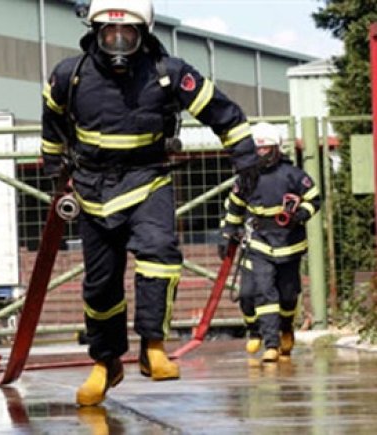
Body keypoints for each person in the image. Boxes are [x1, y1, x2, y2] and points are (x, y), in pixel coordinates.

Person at [41, 0, 260, 406]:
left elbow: (222, 112)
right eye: (111, 34)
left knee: (159, 254)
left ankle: (152, 347)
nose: (119, 42)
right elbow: (52, 118)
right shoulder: (68, 76)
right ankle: (106, 364)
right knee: (100, 285)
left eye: (128, 34)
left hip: (148, 180)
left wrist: (245, 156)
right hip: (91, 190)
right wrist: (54, 163)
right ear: (96, 33)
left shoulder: (169, 73)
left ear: (143, 35)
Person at [218, 122, 320, 363]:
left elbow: (314, 198)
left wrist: (300, 214)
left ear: (276, 149)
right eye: (257, 149)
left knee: (287, 294)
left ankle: (286, 327)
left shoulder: (294, 175)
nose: (260, 154)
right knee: (262, 291)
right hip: (259, 242)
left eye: (265, 149)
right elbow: (234, 206)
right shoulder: (246, 177)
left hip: (290, 243)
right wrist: (227, 233)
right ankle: (270, 343)